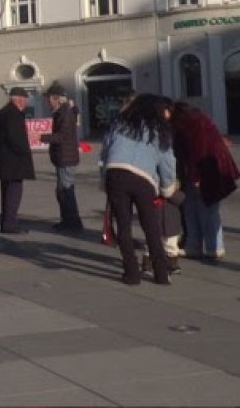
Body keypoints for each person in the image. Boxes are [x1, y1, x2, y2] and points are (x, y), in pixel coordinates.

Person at [101, 93, 175, 285]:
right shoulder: (157, 129)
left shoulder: (119, 124)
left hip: (115, 173)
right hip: (143, 179)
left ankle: (131, 273)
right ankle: (161, 274)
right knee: (150, 226)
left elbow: (105, 151)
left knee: (123, 227)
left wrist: (104, 180)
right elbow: (168, 161)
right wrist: (167, 186)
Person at [170, 101, 239, 260]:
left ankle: (213, 247)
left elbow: (199, 151)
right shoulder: (195, 121)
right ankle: (198, 246)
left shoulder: (195, 125)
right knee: (193, 208)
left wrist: (196, 177)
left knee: (206, 209)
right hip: (204, 170)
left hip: (208, 171)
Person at [39, 82, 83, 231]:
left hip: (66, 158)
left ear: (56, 98)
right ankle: (67, 220)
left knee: (66, 190)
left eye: (49, 98)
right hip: (64, 157)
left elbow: (62, 136)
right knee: (62, 191)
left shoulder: (64, 113)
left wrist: (42, 137)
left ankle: (73, 222)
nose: (48, 101)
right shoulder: (62, 112)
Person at [0, 87, 36, 234]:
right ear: (18, 99)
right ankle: (10, 224)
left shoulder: (3, 113)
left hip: (5, 162)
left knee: (7, 193)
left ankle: (7, 222)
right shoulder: (13, 114)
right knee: (13, 193)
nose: (25, 103)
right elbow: (16, 138)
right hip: (14, 162)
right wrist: (25, 151)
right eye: (24, 99)